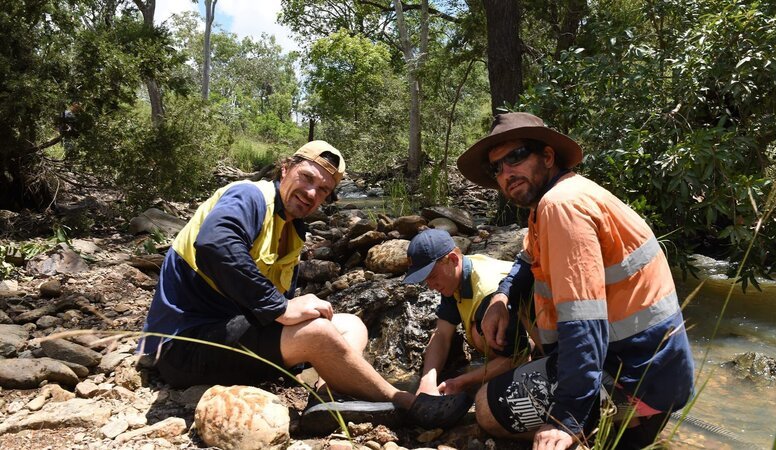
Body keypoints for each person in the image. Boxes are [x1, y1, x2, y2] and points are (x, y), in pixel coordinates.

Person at [139, 140, 470, 434]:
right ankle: (407, 405)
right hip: (182, 346)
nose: (312, 193)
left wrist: (288, 309)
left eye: (324, 190)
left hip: (229, 336)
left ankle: (329, 395)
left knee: (349, 324)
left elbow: (267, 310)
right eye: (307, 178)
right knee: (318, 334)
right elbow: (215, 244)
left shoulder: (292, 230)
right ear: (285, 169)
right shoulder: (250, 196)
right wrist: (281, 307)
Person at [456, 113, 695, 450]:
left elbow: (584, 321)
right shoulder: (556, 199)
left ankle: (614, 421)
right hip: (655, 370)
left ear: (548, 156)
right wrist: (502, 297)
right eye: (497, 168)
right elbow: (526, 262)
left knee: (485, 408)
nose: (506, 173)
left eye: (516, 156)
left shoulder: (561, 206)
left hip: (634, 379)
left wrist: (565, 418)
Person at [403, 229, 533, 397]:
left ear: (453, 259)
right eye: (425, 279)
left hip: (537, 340)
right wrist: (427, 380)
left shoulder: (488, 295)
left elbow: (518, 356)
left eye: (432, 276)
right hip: (517, 333)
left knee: (478, 333)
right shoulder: (454, 277)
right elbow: (442, 334)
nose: (430, 286)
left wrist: (462, 381)